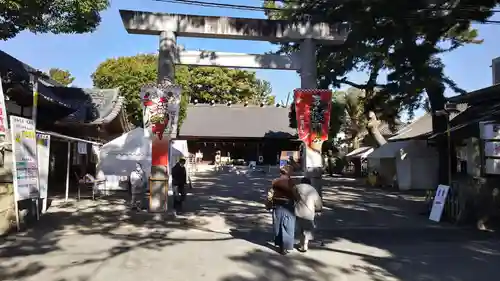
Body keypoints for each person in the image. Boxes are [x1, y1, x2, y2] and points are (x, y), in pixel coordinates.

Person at [266, 165, 298, 255]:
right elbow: (295, 194)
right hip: (289, 205)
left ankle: (280, 246)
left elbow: (270, 194)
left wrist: (268, 203)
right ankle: (286, 246)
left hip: (277, 205)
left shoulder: (275, 181)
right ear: (289, 173)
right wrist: (296, 201)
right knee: (288, 226)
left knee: (278, 225)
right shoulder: (292, 182)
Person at [294, 177, 322, 252]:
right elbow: (318, 201)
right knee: (307, 230)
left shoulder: (297, 187)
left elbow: (292, 197)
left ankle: (301, 243)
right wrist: (318, 209)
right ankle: (305, 245)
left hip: (298, 211)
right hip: (309, 212)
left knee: (301, 229)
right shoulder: (312, 189)